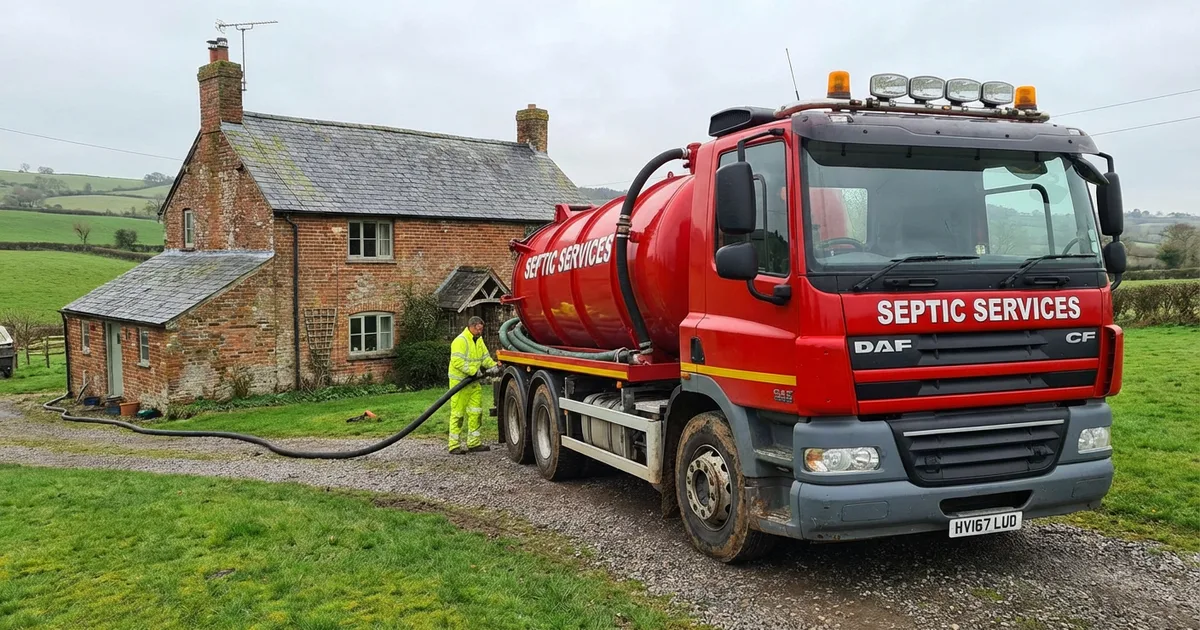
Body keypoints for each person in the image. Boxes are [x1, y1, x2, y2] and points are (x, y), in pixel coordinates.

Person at [447, 316, 500, 454]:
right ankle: (454, 445)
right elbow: (457, 361)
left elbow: (484, 358)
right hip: (459, 384)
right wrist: (473, 371)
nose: (480, 331)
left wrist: (494, 366)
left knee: (476, 412)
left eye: (481, 329)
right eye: (478, 329)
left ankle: (474, 443)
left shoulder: (479, 340)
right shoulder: (460, 341)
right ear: (471, 326)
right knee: (458, 414)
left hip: (474, 383)